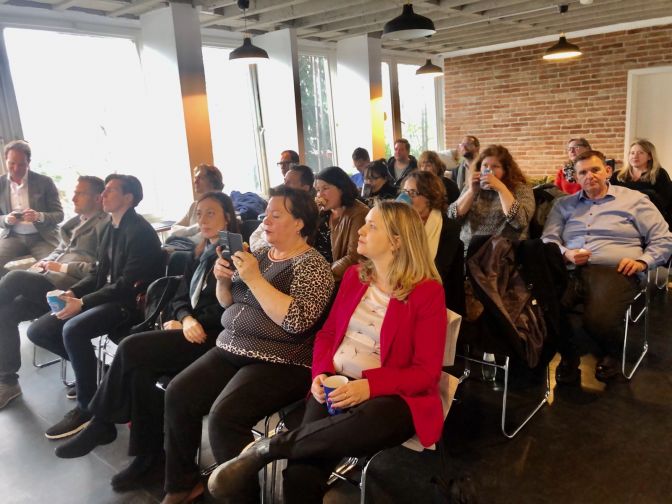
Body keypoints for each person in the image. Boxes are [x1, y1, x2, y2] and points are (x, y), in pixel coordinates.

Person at [206, 201, 448, 504]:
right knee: (299, 476)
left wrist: (369, 386)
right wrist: (320, 372)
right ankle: (276, 447)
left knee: (371, 416)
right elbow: (328, 334)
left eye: (371, 226)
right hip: (335, 384)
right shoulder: (355, 276)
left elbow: (425, 373)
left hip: (392, 398)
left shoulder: (426, 293)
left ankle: (270, 447)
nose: (359, 229)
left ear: (397, 241)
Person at [51, 192, 239, 492]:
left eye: (211, 214)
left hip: (213, 338)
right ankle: (149, 459)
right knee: (140, 373)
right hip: (187, 330)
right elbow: (179, 294)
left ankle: (101, 423)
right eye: (199, 213)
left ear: (228, 217)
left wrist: (193, 320)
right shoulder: (200, 250)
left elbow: (231, 308)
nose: (202, 220)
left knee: (130, 346)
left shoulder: (235, 256)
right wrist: (182, 316)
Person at [160, 186, 334, 504]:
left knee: (225, 417)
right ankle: (182, 483)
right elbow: (228, 302)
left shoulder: (314, 267)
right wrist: (224, 279)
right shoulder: (261, 256)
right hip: (232, 347)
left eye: (276, 215)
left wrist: (254, 278)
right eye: (265, 213)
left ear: (299, 223)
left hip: (280, 360)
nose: (265, 220)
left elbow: (296, 321)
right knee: (179, 392)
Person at [26, 174, 164, 439]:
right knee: (39, 331)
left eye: (110, 191)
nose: (103, 195)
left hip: (131, 306)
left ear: (128, 198)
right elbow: (98, 274)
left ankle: (87, 408)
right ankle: (97, 377)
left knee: (73, 330)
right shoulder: (111, 228)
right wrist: (73, 292)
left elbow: (127, 285)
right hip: (107, 297)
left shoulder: (140, 232)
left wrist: (83, 303)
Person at [543, 150, 672, 383]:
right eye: (583, 172)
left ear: (608, 171)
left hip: (616, 271)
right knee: (545, 310)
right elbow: (548, 239)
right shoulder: (563, 205)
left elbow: (664, 238)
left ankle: (610, 352)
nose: (589, 176)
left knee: (598, 320)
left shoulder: (634, 200)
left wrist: (642, 261)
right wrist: (566, 253)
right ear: (576, 177)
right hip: (569, 269)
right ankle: (569, 356)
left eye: (595, 169)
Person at [0, 176, 109, 410]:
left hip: (72, 289)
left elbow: (99, 269)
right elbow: (57, 251)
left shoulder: (106, 225)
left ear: (98, 198)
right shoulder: (72, 224)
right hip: (47, 282)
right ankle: (8, 381)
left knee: (14, 278)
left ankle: (97, 372)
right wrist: (42, 264)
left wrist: (61, 267)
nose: (72, 197)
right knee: (6, 313)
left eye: (80, 193)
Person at [448, 145, 535, 254]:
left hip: (504, 255)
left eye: (495, 166)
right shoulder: (473, 186)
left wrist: (501, 189)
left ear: (506, 170)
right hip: (469, 252)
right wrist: (471, 191)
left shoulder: (520, 188)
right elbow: (452, 216)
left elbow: (520, 221)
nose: (488, 170)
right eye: (485, 165)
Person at [401, 171, 464, 314]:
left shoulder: (449, 228)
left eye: (412, 193)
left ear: (430, 196)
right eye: (405, 192)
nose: (406, 198)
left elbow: (439, 271)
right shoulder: (403, 225)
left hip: (440, 299)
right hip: (405, 290)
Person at [0, 140, 64, 277]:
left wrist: (38, 216)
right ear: (5, 160)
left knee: (55, 268)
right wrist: (6, 219)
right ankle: (13, 285)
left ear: (29, 162)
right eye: (11, 163)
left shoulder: (44, 182)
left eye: (21, 164)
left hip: (42, 236)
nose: (16, 169)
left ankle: (35, 290)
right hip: (12, 236)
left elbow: (59, 215)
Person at [314, 166, 369, 281]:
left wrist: (322, 275)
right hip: (318, 272)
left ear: (341, 188)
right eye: (318, 190)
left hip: (337, 280)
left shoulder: (359, 213)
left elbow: (354, 258)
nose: (320, 194)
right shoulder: (323, 213)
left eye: (325, 188)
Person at [249, 165, 315, 252]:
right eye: (285, 181)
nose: (284, 185)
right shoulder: (276, 204)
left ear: (305, 188)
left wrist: (265, 240)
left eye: (289, 183)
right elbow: (254, 237)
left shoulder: (307, 212)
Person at [611, 139, 672, 227]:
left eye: (640, 153)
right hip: (622, 220)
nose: (635, 156)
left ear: (649, 156)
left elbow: (666, 202)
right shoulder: (617, 175)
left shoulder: (659, 174)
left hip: (650, 220)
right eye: (632, 153)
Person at [169, 164, 224, 242]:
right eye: (195, 178)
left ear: (212, 181)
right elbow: (173, 229)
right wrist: (193, 229)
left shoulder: (222, 205)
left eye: (200, 178)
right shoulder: (194, 205)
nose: (195, 181)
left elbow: (204, 240)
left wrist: (182, 236)